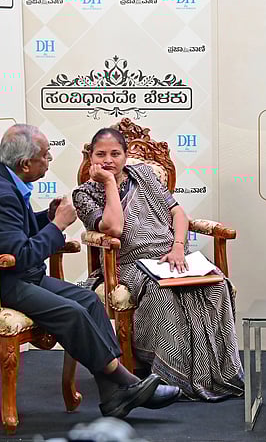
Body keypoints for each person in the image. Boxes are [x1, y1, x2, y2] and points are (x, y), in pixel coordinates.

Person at [0, 124, 178, 418]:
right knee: (71, 312)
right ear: (26, 164)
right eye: (45, 156)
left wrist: (45, 217)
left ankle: (113, 396)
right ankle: (126, 382)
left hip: (11, 275)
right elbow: (22, 255)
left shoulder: (0, 175)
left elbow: (10, 235)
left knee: (88, 300)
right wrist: (58, 225)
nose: (49, 160)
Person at [72, 128, 244, 402]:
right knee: (163, 291)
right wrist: (108, 183)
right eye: (100, 154)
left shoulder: (145, 176)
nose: (108, 160)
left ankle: (217, 372)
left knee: (217, 285)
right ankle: (171, 375)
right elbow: (114, 229)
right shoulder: (84, 194)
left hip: (171, 255)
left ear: (126, 156)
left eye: (115, 154)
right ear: (90, 157)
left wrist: (177, 247)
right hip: (129, 261)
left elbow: (178, 213)